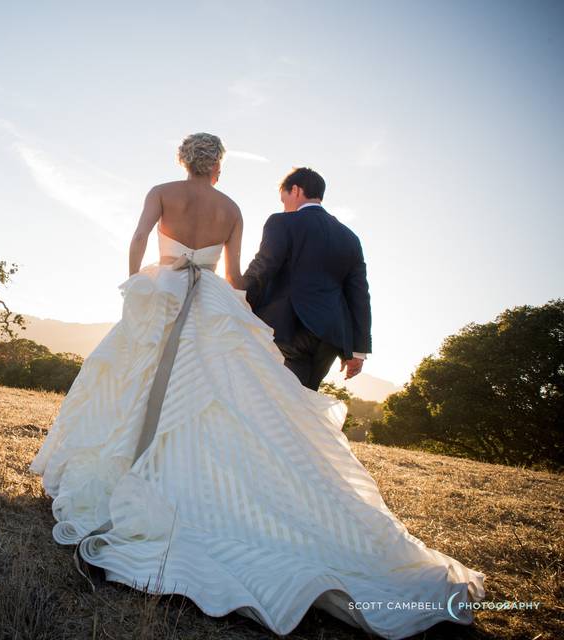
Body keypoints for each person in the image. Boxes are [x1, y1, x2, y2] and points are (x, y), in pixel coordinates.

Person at [28, 133, 485, 639]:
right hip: (213, 305)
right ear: (218, 168)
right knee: (222, 396)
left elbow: (138, 238)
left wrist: (137, 282)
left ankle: (135, 466)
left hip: (161, 294)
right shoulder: (234, 208)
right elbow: (237, 272)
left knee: (128, 378)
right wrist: (233, 306)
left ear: (183, 161)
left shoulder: (161, 191)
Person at [241, 167, 371, 391]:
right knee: (304, 403)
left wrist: (238, 300)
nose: (284, 207)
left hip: (288, 328)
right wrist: (358, 351)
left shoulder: (282, 222)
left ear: (296, 190)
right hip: (330, 338)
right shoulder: (350, 238)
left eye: (284, 200)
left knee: (277, 404)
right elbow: (359, 295)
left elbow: (264, 266)